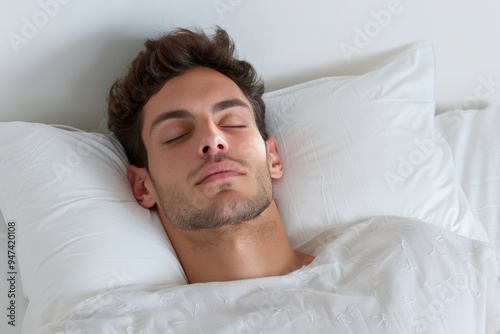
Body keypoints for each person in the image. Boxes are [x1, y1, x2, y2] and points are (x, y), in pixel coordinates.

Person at [107, 27, 314, 284]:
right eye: (177, 135)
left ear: (272, 157)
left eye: (233, 123)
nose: (212, 140)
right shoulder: (134, 323)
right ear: (143, 186)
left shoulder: (375, 261)